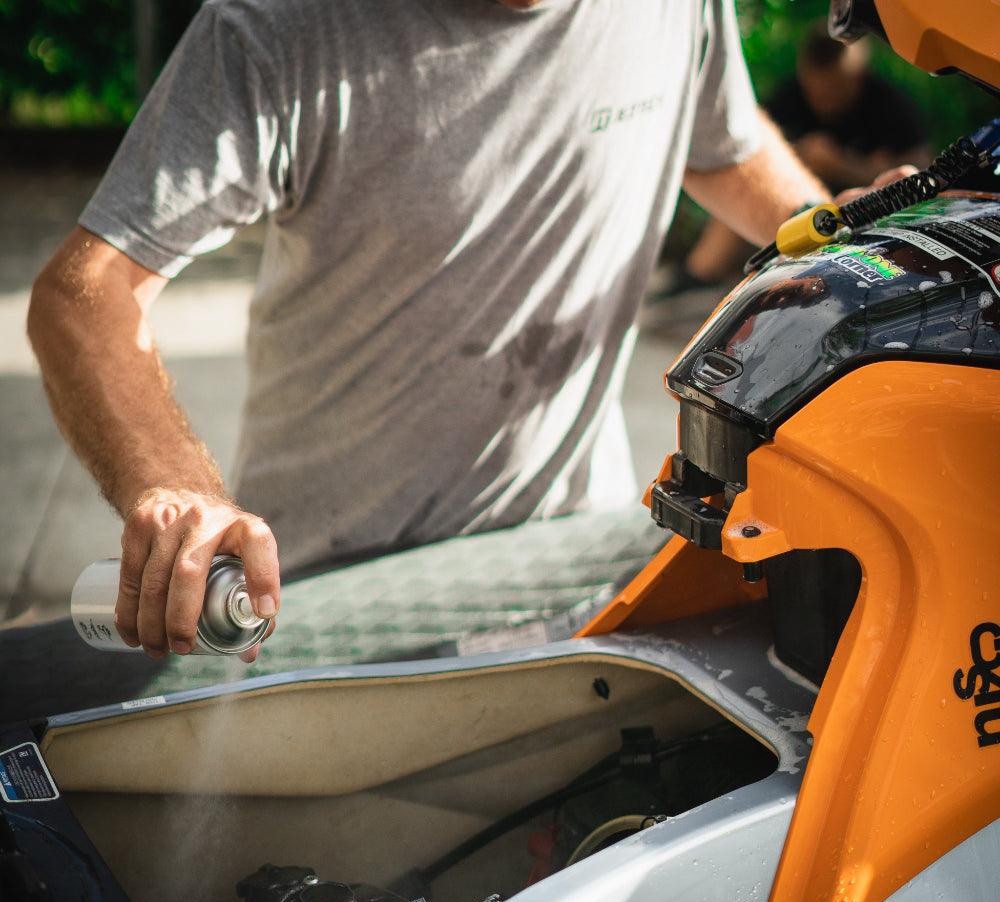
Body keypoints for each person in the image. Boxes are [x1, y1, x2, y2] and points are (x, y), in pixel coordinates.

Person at [25, 0, 893, 665]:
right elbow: (85, 295)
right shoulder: (280, 28)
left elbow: (720, 145)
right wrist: (180, 491)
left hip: (574, 565)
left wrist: (829, 227)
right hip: (335, 602)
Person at [678, 20, 928, 291]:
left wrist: (845, 166)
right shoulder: (790, 96)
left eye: (834, 94)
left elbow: (920, 173)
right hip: (801, 210)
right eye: (815, 94)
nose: (823, 103)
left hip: (858, 208)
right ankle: (695, 277)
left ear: (857, 76)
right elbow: (743, 155)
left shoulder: (889, 104)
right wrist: (804, 157)